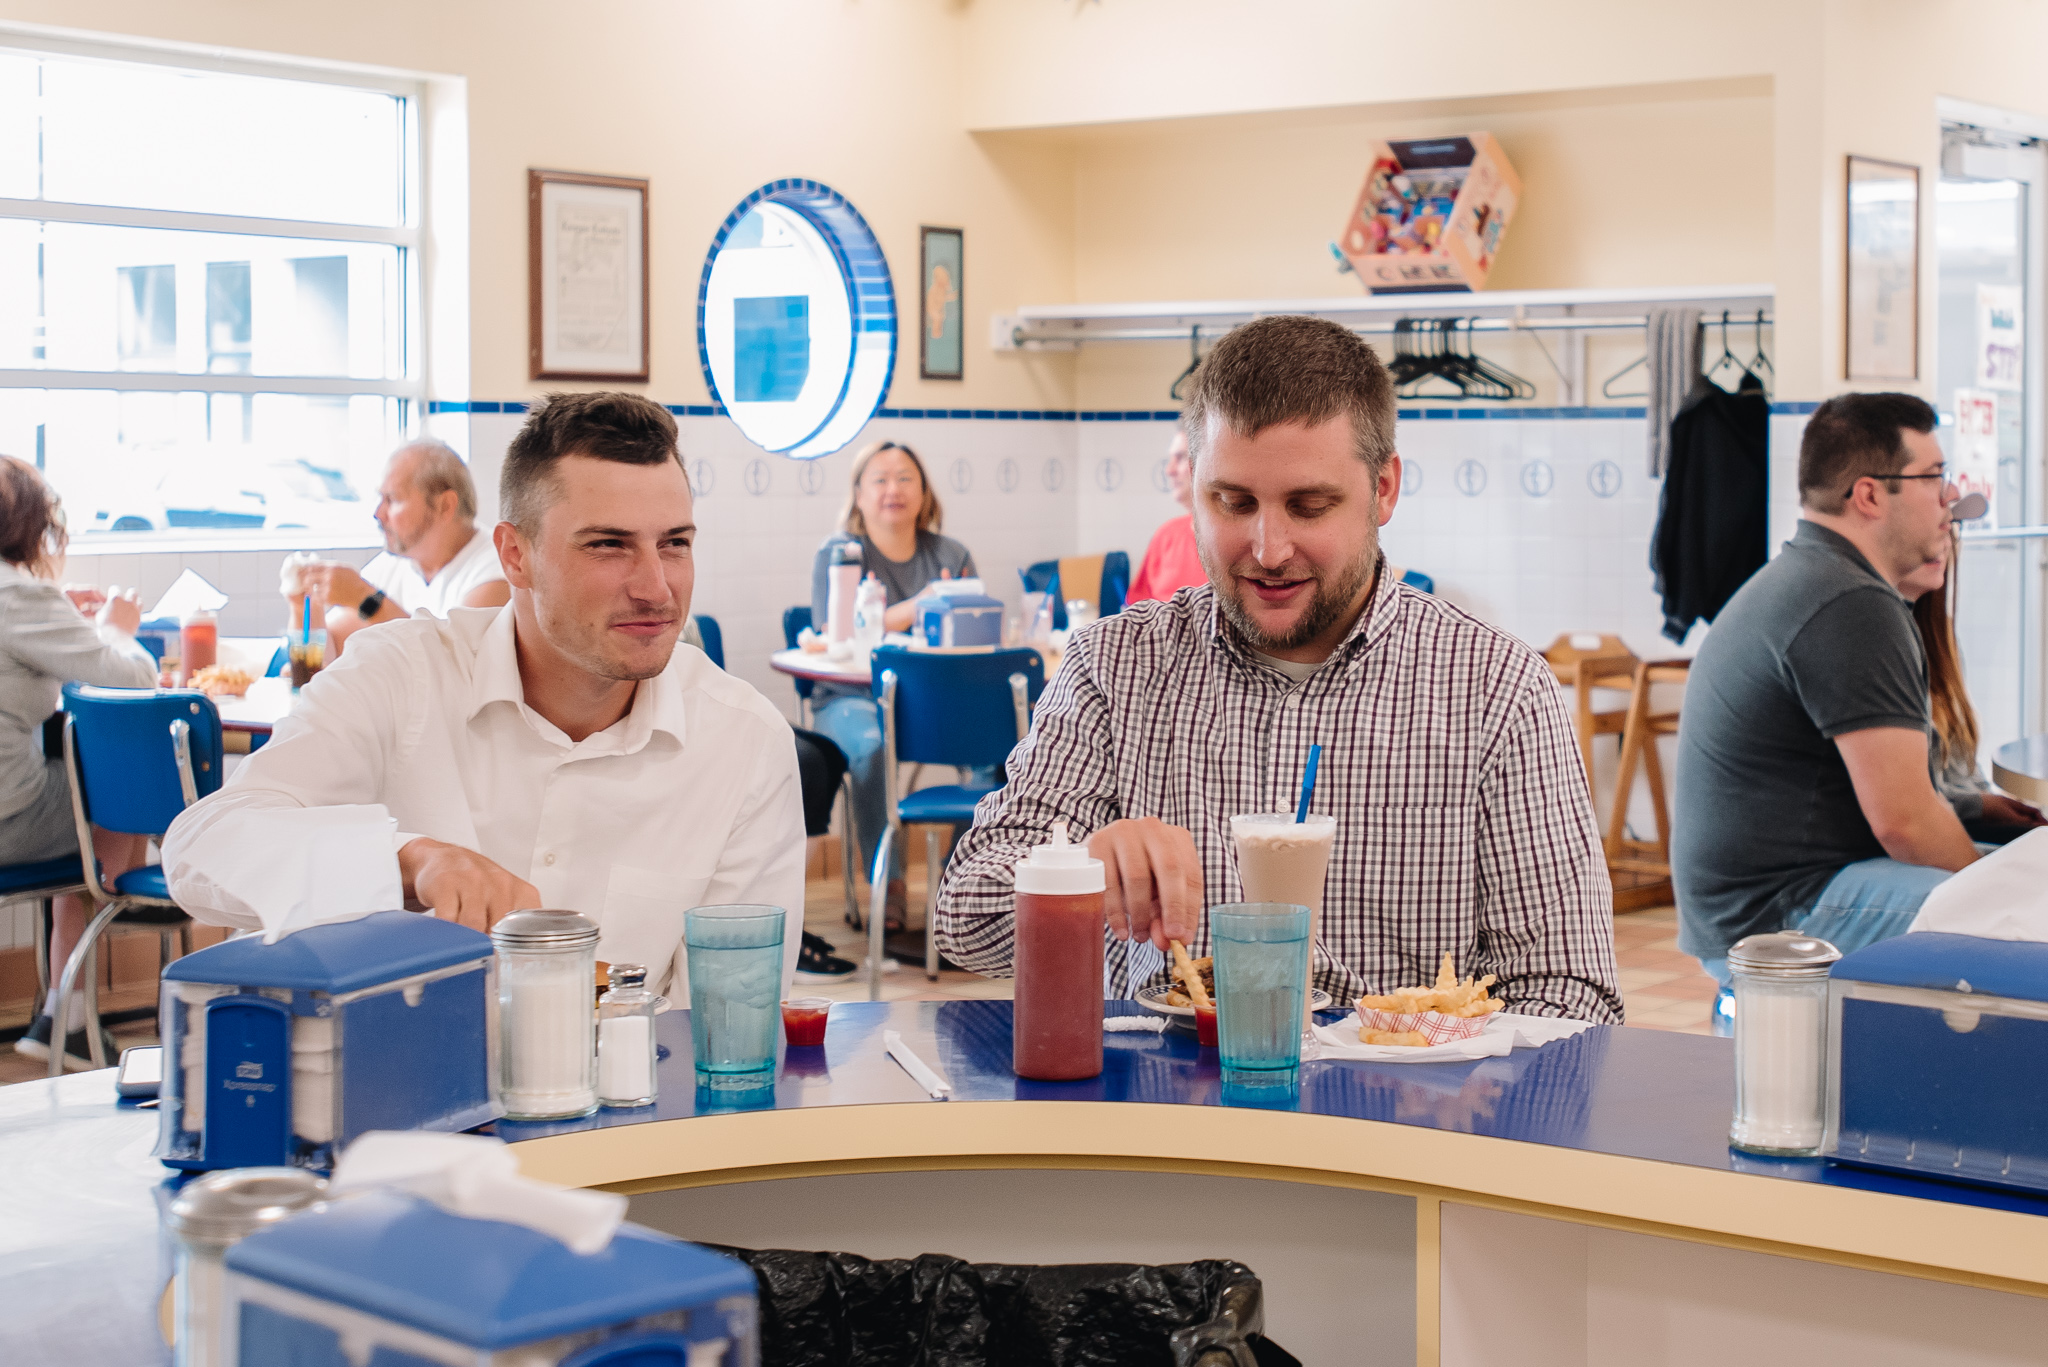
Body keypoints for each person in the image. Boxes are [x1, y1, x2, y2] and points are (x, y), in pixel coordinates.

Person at [934, 316, 1622, 1021]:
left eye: (1309, 505)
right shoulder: (1114, 667)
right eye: (1232, 502)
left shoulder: (1496, 689)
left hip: (1400, 1120)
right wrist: (1074, 870)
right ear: (1193, 490)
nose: (1266, 548)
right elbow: (962, 923)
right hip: (1161, 1118)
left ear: (1383, 489)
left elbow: (1571, 993)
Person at [163, 394, 805, 1000]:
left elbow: (727, 1028)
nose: (656, 587)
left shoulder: (743, 741)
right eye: (608, 545)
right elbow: (200, 849)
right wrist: (407, 859)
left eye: (675, 544)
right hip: (396, 1100)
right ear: (515, 555)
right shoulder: (400, 675)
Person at [1673, 392, 1979, 985]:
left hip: (1763, 898)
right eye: (1933, 478)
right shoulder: (1851, 602)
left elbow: (1866, 797)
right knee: (2022, 911)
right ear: (1868, 494)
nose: (1950, 501)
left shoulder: (1814, 575)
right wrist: (1995, 894)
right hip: (1779, 915)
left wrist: (1987, 813)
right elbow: (1906, 823)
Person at [0, 457, 156, 1067]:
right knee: (117, 782)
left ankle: (61, 1011)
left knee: (84, 781)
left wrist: (62, 612)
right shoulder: (18, 596)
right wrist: (117, 627)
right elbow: (135, 678)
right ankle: (68, 1010)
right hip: (10, 821)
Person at [807, 440, 978, 929]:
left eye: (906, 478)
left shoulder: (951, 552)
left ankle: (959, 886)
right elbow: (834, 632)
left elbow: (972, 622)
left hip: (935, 702)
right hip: (851, 697)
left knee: (1006, 748)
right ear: (858, 495)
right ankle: (891, 885)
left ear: (924, 493)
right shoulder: (838, 554)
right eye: (879, 479)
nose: (893, 490)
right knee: (871, 749)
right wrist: (926, 602)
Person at [299, 440, 510, 657]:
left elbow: (454, 670)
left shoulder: (495, 573)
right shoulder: (395, 564)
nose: (378, 513)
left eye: (392, 499)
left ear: (444, 505)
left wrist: (365, 599)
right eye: (380, 498)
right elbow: (331, 648)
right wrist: (303, 606)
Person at [1901, 531, 2044, 845]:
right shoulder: (1885, 648)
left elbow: (1962, 766)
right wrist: (1982, 804)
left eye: (1949, 533)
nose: (1942, 544)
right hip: (1940, 831)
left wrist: (1988, 801)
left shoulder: (1943, 643)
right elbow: (1908, 804)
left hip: (1963, 818)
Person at [1126, 426, 1204, 604]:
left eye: (1180, 457)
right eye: (1170, 459)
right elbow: (1137, 608)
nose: (1169, 470)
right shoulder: (1165, 535)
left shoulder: (1233, 542)